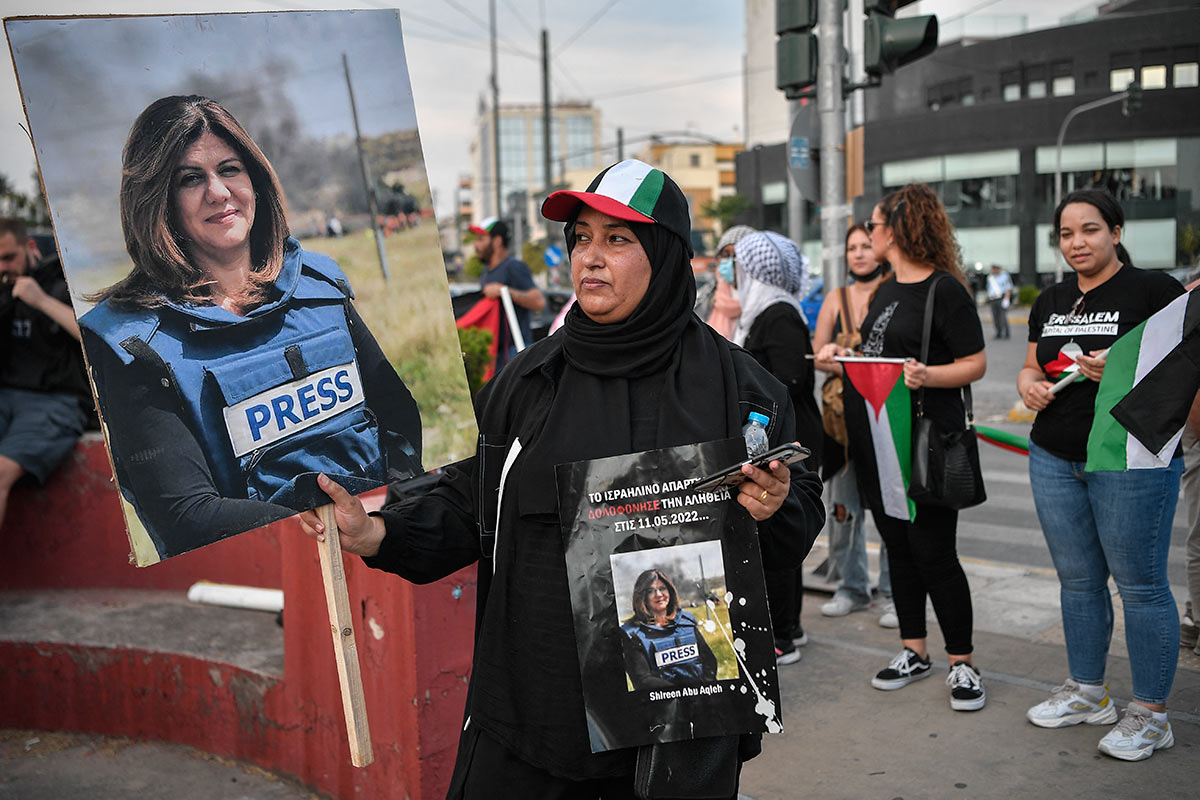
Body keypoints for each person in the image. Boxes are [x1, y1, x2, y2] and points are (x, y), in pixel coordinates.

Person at [299, 158, 826, 798]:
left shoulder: (740, 389)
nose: (590, 258)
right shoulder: (528, 382)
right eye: (581, 238)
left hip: (672, 731)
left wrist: (773, 507)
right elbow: (476, 498)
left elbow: (794, 516)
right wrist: (378, 531)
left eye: (617, 239)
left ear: (666, 257)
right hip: (531, 719)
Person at [78, 95, 423, 560]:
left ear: (255, 180)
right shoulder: (131, 341)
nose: (218, 192)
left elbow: (397, 419)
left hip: (380, 546)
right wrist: (330, 531)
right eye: (190, 179)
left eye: (230, 169)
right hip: (271, 576)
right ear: (156, 200)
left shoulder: (319, 283)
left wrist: (390, 525)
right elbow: (186, 516)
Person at [1018, 188, 1185, 761]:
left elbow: (1184, 372)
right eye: (1066, 234)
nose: (1076, 243)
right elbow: (1028, 363)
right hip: (1053, 454)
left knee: (1141, 586)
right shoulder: (1052, 298)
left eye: (1089, 230)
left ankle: (1151, 714)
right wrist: (1029, 386)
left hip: (1130, 456)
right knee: (1079, 582)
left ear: (1115, 232)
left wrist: (1123, 369)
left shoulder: (1155, 291)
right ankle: (1089, 692)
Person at [819, 183, 987, 712]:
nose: (868, 232)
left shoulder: (945, 290)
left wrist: (929, 375)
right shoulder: (887, 290)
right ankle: (914, 651)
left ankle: (962, 662)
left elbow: (975, 362)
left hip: (924, 443)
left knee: (936, 554)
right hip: (877, 438)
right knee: (898, 548)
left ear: (897, 228)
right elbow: (874, 354)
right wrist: (836, 354)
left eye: (873, 224)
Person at [732, 229, 823, 665]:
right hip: (773, 440)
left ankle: (785, 632)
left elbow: (789, 377)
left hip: (790, 443)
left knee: (784, 533)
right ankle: (788, 626)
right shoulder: (763, 311)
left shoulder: (779, 312)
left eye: (740, 264)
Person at [812, 224, 895, 628]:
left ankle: (897, 594)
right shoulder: (836, 298)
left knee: (891, 509)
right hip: (840, 420)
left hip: (886, 416)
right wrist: (842, 355)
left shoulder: (894, 294)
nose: (859, 254)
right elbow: (819, 355)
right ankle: (852, 587)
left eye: (866, 245)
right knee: (843, 509)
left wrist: (845, 355)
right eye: (852, 248)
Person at [0, 218, 92, 530]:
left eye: (8, 257)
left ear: (29, 248)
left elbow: (93, 339)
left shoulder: (60, 281)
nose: (3, 268)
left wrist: (40, 300)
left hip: (56, 401)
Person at [621, 568, 718, 689]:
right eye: (651, 591)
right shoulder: (632, 633)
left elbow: (709, 661)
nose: (659, 595)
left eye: (662, 588)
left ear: (670, 591)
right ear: (642, 597)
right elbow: (642, 680)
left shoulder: (687, 622)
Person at [469, 216, 545, 366]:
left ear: (497, 241)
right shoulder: (486, 271)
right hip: (494, 352)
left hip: (514, 350)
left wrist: (504, 291)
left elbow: (538, 301)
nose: (476, 245)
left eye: (481, 239)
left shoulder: (514, 267)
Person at [706, 225, 751, 340]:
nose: (731, 260)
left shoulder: (760, 302)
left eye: (736, 255)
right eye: (726, 254)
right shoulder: (708, 297)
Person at [986, 263, 1013, 339]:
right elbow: (989, 288)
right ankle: (998, 332)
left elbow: (1008, 288)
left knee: (1003, 316)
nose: (995, 270)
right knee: (995, 317)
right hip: (992, 299)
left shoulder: (1005, 276)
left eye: (996, 268)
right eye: (994, 268)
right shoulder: (990, 277)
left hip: (1001, 298)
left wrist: (1007, 299)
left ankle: (1007, 332)